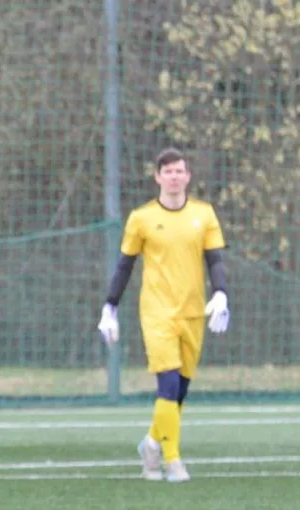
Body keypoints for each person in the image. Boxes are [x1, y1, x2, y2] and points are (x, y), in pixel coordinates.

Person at [97, 147, 230, 483]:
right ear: (157, 177)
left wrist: (221, 293)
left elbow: (215, 259)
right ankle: (172, 461)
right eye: (167, 171)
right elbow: (125, 265)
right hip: (156, 313)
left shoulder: (204, 214)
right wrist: (109, 307)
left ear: (188, 176)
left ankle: (152, 443)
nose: (174, 177)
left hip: (193, 312)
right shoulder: (141, 218)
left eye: (179, 171)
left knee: (180, 390)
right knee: (168, 383)